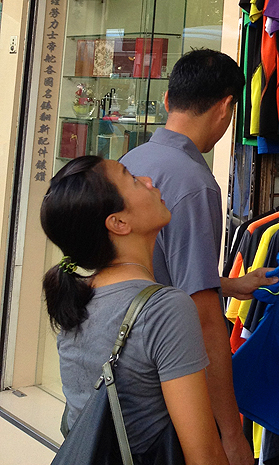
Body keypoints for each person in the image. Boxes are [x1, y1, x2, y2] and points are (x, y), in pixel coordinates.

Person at [122, 49, 274, 465]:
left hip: (122, 361)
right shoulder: (194, 182)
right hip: (163, 380)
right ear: (226, 108)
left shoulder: (132, 161)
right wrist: (231, 434)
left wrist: (226, 284)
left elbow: (153, 268)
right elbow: (205, 319)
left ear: (167, 100)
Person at [41, 155, 228, 464]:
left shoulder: (77, 297)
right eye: (132, 179)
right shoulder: (164, 308)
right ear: (118, 223)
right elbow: (204, 456)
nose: (149, 181)